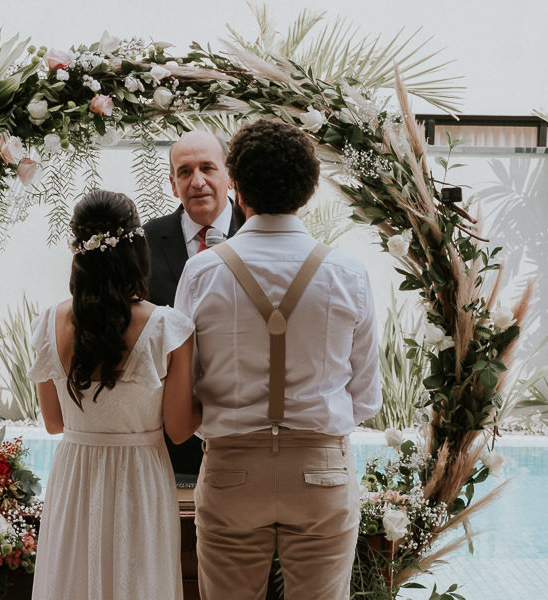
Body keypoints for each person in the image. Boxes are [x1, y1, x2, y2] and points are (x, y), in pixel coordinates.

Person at [175, 119, 382, 600]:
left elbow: (182, 383)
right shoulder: (348, 273)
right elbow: (367, 397)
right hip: (322, 470)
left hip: (231, 470)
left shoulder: (202, 272)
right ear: (308, 192)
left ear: (237, 188)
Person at [28, 190, 199, 600]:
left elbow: (53, 423)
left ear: (78, 251)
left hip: (75, 476)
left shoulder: (48, 323)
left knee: (72, 581)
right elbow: (178, 430)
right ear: (137, 248)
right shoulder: (168, 328)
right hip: (140, 478)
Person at [144, 130, 238, 478]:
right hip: (170, 435)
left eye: (208, 168)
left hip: (245, 427)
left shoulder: (261, 232)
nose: (197, 181)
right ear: (172, 184)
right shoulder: (148, 241)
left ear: (229, 176)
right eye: (185, 172)